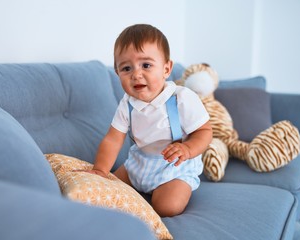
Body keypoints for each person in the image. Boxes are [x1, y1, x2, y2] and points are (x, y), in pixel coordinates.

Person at [89, 24, 212, 217]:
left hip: (174, 166)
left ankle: (168, 189)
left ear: (166, 69)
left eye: (146, 65)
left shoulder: (181, 98)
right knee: (107, 189)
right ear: (117, 73)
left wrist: (188, 149)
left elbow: (204, 131)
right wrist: (100, 170)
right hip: (139, 162)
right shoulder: (126, 104)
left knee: (167, 206)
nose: (136, 74)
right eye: (126, 68)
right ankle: (132, 187)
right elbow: (113, 139)